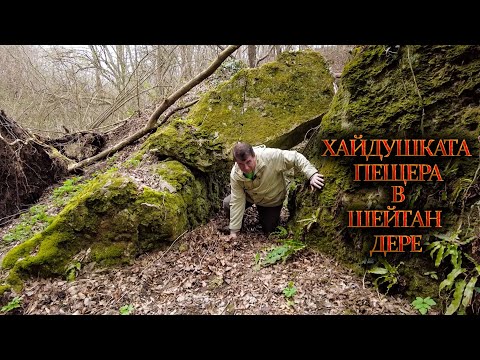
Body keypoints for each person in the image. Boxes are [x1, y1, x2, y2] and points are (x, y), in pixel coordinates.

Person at [223, 142, 325, 240]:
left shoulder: (270, 156)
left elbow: (295, 157)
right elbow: (237, 200)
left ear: (254, 156)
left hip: (271, 200)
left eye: (248, 162)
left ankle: (269, 219)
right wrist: (234, 231)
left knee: (269, 230)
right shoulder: (235, 174)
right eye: (241, 164)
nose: (245, 167)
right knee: (228, 203)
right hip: (250, 196)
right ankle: (240, 225)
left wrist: (312, 174)